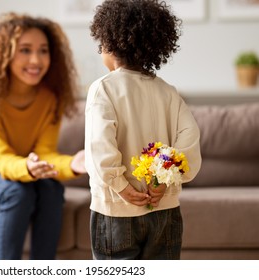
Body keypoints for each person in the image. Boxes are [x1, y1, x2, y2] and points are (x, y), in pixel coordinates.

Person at [0, 12, 86, 260]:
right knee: (17, 192)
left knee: (51, 189)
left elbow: (45, 153)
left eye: (43, 50)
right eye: (25, 50)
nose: (36, 59)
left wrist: (73, 163)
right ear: (4, 54)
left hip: (20, 177)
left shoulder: (50, 99)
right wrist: (27, 168)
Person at [85, 0, 202, 260]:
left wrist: (120, 185)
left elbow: (98, 147)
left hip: (116, 211)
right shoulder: (169, 92)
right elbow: (189, 142)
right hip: (165, 210)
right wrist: (163, 182)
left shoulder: (103, 88)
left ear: (108, 43)